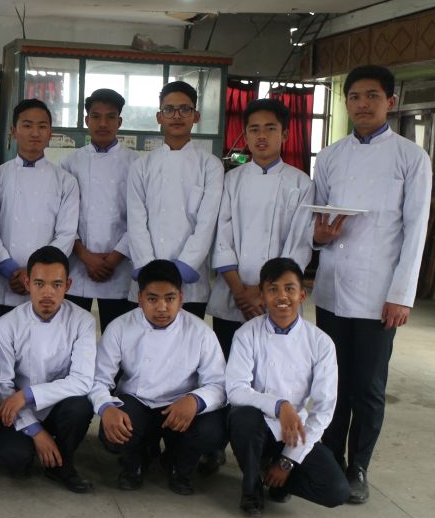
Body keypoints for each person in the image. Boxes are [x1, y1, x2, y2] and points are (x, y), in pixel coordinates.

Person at [312, 65, 432, 504]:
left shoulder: (410, 158)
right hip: (333, 287)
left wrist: (401, 295)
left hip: (380, 294)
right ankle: (329, 457)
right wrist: (318, 238)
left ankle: (358, 465)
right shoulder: (330, 156)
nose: (363, 104)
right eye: (355, 97)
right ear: (346, 103)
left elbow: (416, 231)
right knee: (333, 381)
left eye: (372, 96)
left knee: (367, 387)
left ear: (390, 102)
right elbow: (317, 218)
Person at [227, 258, 351, 517]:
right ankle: (251, 489)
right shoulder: (246, 334)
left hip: (295, 431)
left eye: (289, 289)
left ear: (302, 295)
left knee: (336, 491)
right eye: (273, 289)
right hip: (258, 425)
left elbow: (324, 408)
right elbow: (236, 390)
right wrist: (279, 405)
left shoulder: (321, 343)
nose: (282, 296)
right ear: (262, 296)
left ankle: (278, 478)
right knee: (242, 417)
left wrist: (288, 461)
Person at [91, 260, 227, 495]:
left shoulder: (200, 332)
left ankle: (179, 468)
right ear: (140, 298)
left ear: (181, 298)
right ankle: (134, 465)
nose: (162, 307)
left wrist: (195, 401)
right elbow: (98, 379)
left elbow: (219, 384)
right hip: (138, 402)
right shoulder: (120, 327)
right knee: (115, 430)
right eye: (153, 299)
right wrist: (106, 408)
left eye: (170, 298)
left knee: (213, 431)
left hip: (180, 408)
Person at [208, 99, 314, 358]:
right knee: (228, 364)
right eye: (254, 129)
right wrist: (242, 292)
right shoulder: (231, 180)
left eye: (270, 128)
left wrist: (265, 291)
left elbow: (298, 244)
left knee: (273, 368)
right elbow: (222, 239)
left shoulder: (301, 184)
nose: (262, 136)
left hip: (278, 297)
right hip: (234, 296)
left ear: (285, 134)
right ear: (245, 136)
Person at [0, 245, 95, 493]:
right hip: (20, 411)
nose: (48, 293)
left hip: (58, 407)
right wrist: (36, 431)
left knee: (80, 407)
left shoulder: (83, 321)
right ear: (27, 283)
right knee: (16, 461)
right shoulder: (7, 324)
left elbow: (82, 381)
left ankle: (63, 464)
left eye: (56, 284)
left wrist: (27, 394)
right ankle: (25, 443)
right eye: (39, 283)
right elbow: (2, 386)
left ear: (68, 285)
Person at [127, 81, 224, 318]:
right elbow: (136, 222)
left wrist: (183, 268)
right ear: (159, 117)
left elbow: (206, 224)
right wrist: (149, 268)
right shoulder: (141, 166)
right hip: (147, 277)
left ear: (196, 116)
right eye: (169, 110)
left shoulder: (210, 165)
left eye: (185, 109)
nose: (177, 116)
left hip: (189, 282)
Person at [0, 100, 79, 315]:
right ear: (14, 131)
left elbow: (66, 234)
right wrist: (10, 269)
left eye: (42, 126)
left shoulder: (65, 181)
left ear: (50, 133)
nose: (35, 133)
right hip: (4, 281)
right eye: (27, 125)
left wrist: (36, 274)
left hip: (45, 284)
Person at [62, 88, 139, 331]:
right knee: (72, 335)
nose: (103, 123)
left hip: (120, 266)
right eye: (96, 116)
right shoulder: (70, 163)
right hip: (78, 264)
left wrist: (115, 257)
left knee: (119, 338)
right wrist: (85, 256)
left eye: (110, 117)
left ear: (120, 121)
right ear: (87, 120)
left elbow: (140, 218)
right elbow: (63, 217)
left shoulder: (136, 164)